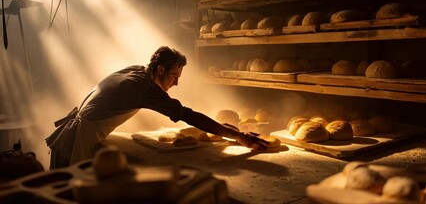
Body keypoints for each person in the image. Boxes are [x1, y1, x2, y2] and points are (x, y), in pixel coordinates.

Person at [46, 46, 268, 169]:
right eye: (174, 75)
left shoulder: (137, 70)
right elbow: (186, 115)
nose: (177, 82)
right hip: (76, 141)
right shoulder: (145, 87)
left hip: (76, 133)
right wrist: (237, 135)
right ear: (160, 69)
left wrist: (218, 127)